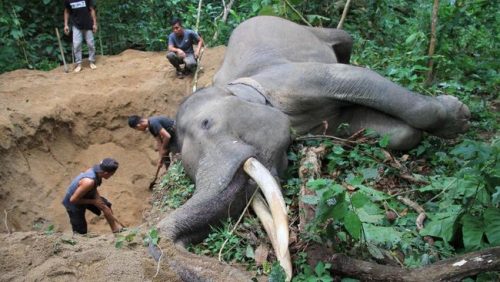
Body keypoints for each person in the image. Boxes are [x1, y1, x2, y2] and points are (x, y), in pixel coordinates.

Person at [62, 158, 124, 234]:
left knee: (106, 205)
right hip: (73, 203)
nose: (112, 176)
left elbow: (93, 188)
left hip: (86, 195)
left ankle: (115, 229)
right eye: (112, 174)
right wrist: (94, 201)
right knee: (80, 230)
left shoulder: (98, 172)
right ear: (106, 173)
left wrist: (99, 200)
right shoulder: (88, 182)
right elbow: (73, 200)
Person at [63, 0, 98, 73]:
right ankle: (79, 64)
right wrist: (66, 25)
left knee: (90, 44)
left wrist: (94, 23)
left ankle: (91, 61)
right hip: (76, 25)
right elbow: (66, 11)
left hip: (88, 24)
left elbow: (91, 10)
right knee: (76, 45)